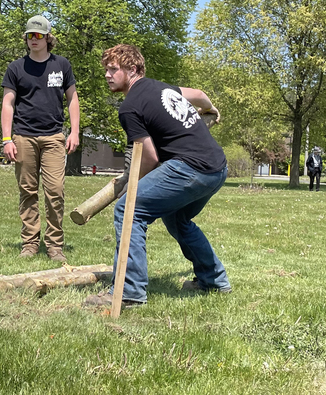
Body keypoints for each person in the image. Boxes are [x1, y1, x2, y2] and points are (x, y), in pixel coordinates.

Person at [86, 44, 231, 308]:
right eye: (106, 69)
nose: (107, 74)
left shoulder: (129, 107)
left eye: (113, 69)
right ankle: (214, 281)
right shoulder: (162, 88)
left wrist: (130, 186)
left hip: (190, 169)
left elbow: (150, 158)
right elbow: (199, 94)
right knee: (178, 218)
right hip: (217, 168)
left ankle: (128, 292)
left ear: (132, 69)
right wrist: (210, 110)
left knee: (129, 210)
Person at [1, 15, 80, 264]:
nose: (32, 39)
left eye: (37, 35)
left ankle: (55, 245)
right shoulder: (16, 68)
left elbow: (73, 99)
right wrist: (6, 139)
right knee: (27, 191)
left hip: (54, 137)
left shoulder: (62, 65)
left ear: (48, 38)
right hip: (23, 137)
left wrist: (75, 132)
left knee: (55, 191)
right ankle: (30, 243)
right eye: (29, 35)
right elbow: (8, 103)